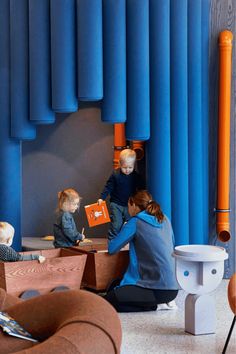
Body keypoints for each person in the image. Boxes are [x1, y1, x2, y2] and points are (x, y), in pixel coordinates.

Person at [104, 190, 179, 312]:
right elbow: (171, 243)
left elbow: (112, 248)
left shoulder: (135, 221)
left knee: (109, 300)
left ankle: (156, 306)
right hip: (173, 289)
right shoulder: (164, 219)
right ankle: (162, 303)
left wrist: (122, 230)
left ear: (133, 204)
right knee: (115, 286)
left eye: (128, 206)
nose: (128, 210)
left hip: (155, 290)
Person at [98, 149, 144, 240]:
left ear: (134, 165)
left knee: (130, 223)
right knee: (116, 224)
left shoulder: (135, 176)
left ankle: (126, 241)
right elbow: (108, 187)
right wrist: (101, 198)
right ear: (119, 164)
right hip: (116, 204)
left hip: (129, 205)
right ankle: (112, 241)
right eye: (124, 167)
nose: (127, 170)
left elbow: (141, 188)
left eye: (130, 167)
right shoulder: (115, 175)